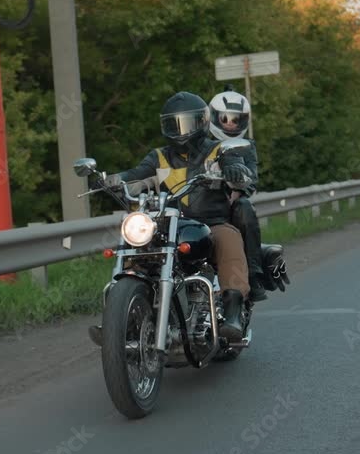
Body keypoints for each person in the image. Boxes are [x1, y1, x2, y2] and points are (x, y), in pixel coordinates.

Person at [100, 91, 255, 340]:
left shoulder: (218, 151)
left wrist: (235, 170)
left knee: (229, 239)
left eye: (188, 123)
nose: (181, 131)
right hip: (166, 226)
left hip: (210, 224)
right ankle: (121, 320)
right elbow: (137, 175)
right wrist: (114, 180)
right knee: (135, 247)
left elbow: (235, 166)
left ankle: (233, 312)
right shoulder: (158, 157)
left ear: (202, 122)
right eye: (174, 124)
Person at [207, 87, 274, 302]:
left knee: (245, 207)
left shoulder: (247, 147)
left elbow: (252, 178)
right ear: (213, 117)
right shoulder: (200, 143)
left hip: (228, 205)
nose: (230, 124)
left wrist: (238, 189)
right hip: (199, 202)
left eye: (236, 120)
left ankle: (253, 274)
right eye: (225, 118)